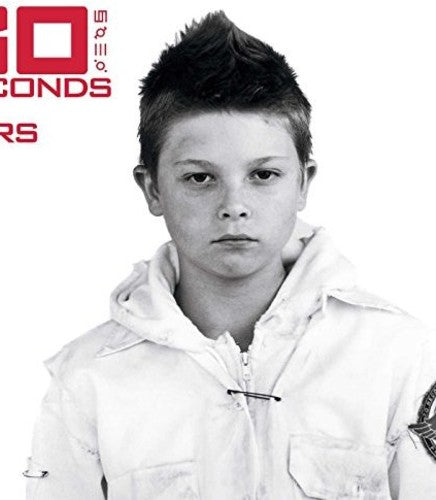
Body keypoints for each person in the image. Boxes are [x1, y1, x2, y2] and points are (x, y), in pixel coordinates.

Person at [24, 11, 436, 499]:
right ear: (152, 189)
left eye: (263, 175)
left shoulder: (397, 355)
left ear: (303, 183)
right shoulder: (88, 380)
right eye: (200, 177)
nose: (234, 206)